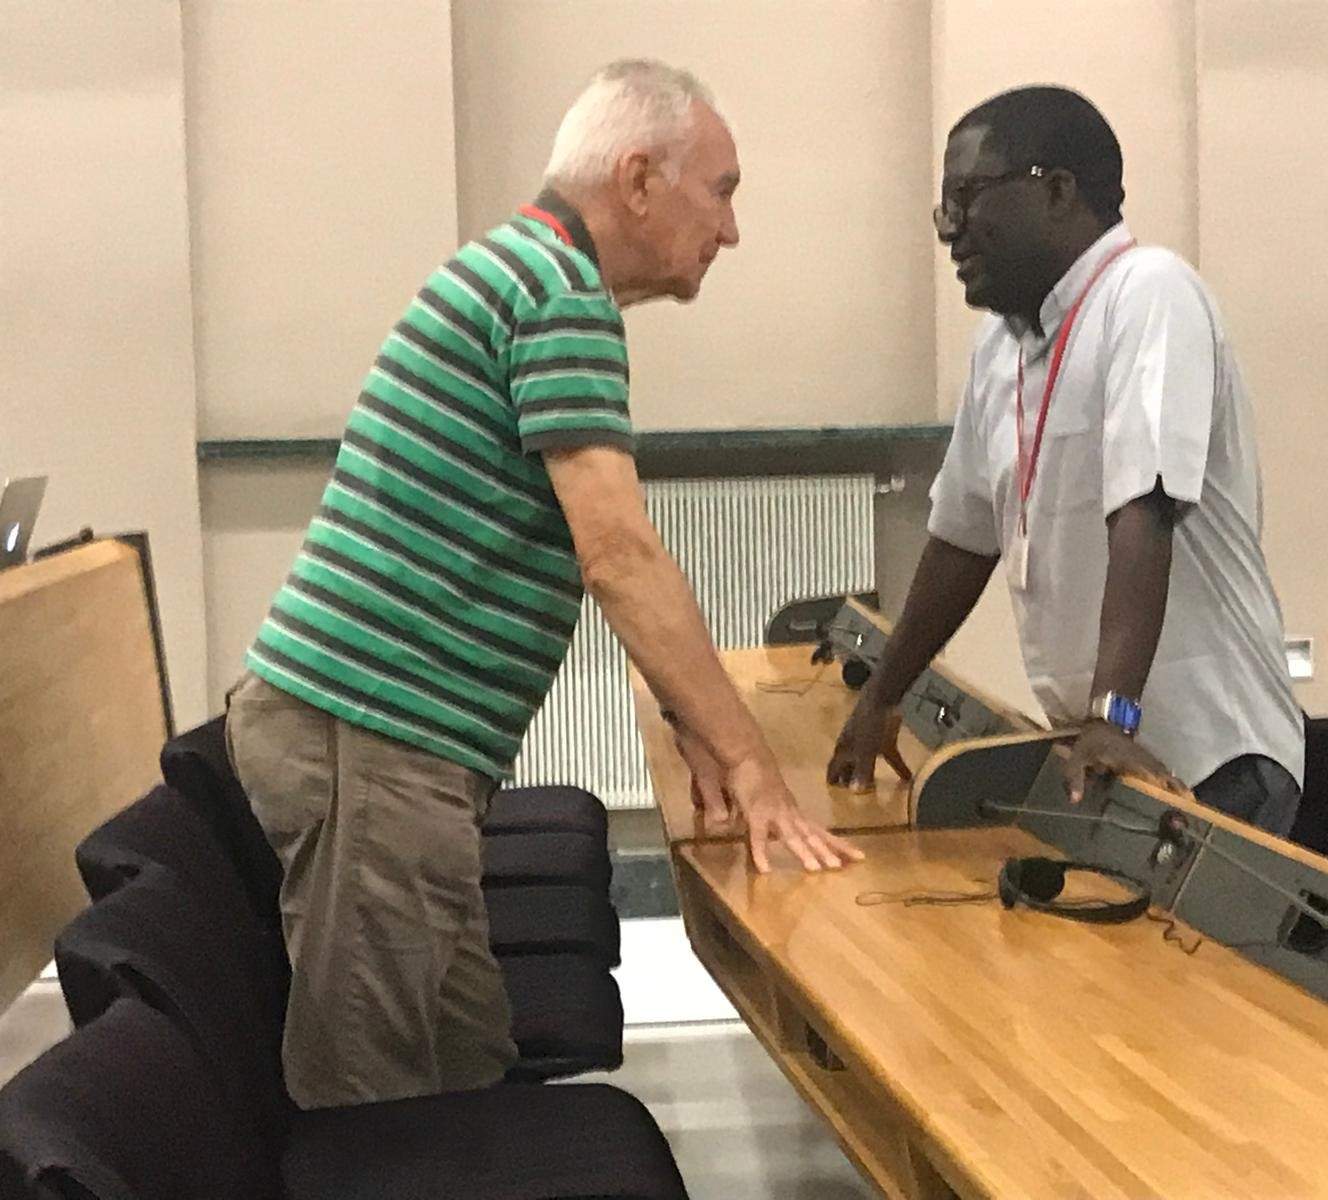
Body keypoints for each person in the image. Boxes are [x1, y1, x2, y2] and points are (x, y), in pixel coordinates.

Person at [226, 60, 861, 1111]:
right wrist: (749, 761)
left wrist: (693, 719)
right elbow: (618, 556)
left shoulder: (528, 275)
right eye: (721, 191)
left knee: (467, 1072)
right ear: (639, 179)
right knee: (373, 1113)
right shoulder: (559, 295)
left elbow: (581, 547)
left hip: (385, 745)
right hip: (373, 742)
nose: (732, 230)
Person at [829, 85, 1304, 836]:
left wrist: (1114, 716)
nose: (949, 229)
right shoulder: (1001, 348)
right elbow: (960, 543)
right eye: (944, 206)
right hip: (1106, 753)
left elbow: (1145, 509)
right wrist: (883, 695)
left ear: (1056, 191)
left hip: (1211, 760)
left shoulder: (1148, 293)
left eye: (968, 197)